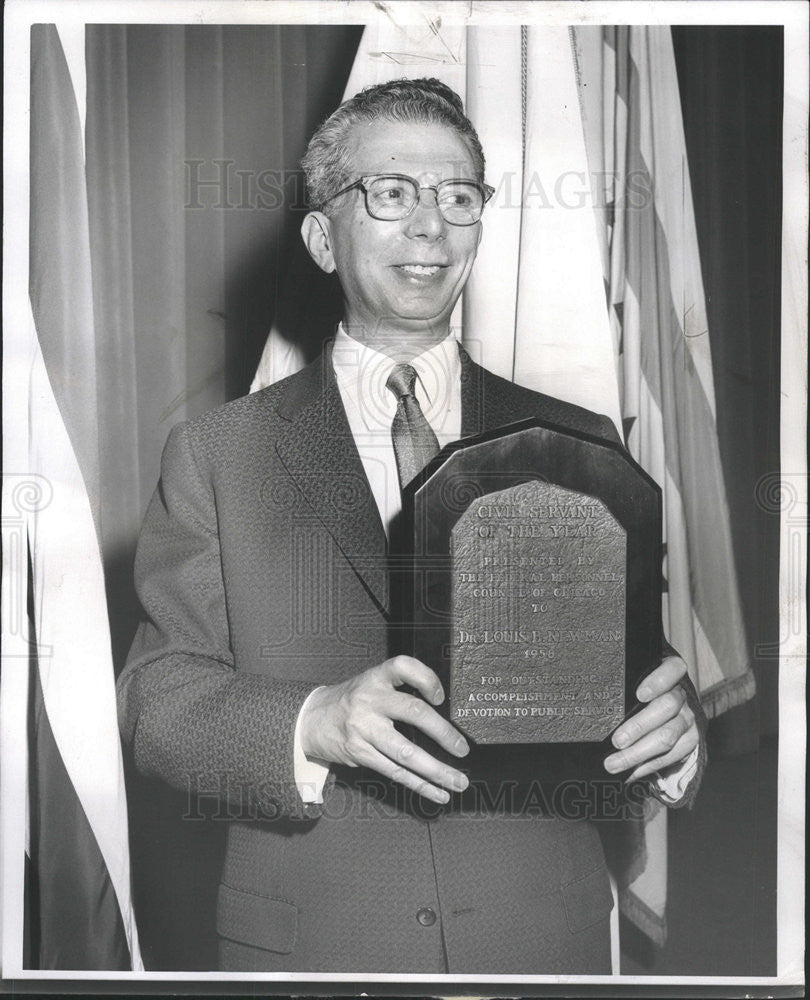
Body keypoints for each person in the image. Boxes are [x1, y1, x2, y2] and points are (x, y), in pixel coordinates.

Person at [117, 77, 705, 975]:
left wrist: (674, 728)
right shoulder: (218, 452)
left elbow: (634, 673)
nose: (432, 225)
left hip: (542, 941)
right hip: (317, 947)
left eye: (459, 195)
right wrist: (314, 721)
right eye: (392, 193)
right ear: (322, 237)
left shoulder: (579, 441)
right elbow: (156, 702)